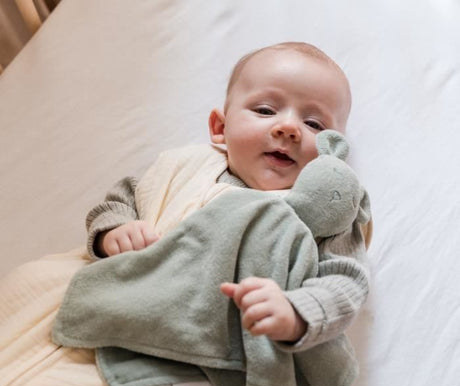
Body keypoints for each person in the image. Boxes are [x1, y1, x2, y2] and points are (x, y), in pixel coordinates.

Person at [85, 41, 369, 352]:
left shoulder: (325, 208)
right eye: (265, 110)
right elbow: (121, 200)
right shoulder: (186, 167)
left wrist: (297, 313)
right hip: (121, 315)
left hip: (221, 354)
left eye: (313, 124)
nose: (289, 128)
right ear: (220, 126)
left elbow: (346, 280)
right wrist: (113, 232)